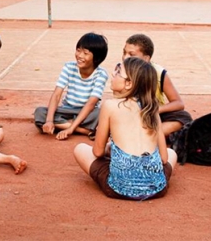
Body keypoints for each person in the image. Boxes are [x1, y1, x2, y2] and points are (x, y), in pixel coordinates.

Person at [73, 57, 176, 200]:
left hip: (119, 189)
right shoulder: (152, 109)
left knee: (80, 149)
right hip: (156, 189)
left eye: (118, 71)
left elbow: (97, 152)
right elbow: (164, 158)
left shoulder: (110, 105)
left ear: (129, 84)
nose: (113, 74)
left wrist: (110, 150)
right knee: (172, 153)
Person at [34, 33, 109, 140]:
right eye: (78, 50)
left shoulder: (101, 74)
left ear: (97, 58)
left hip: (87, 112)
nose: (80, 56)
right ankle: (84, 131)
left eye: (85, 53)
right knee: (40, 112)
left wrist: (70, 129)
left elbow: (91, 103)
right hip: (67, 110)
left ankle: (65, 125)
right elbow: (57, 94)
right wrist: (49, 120)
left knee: (100, 113)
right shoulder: (69, 67)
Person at [122, 34, 192, 138]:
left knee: (184, 117)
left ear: (146, 58)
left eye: (131, 54)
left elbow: (178, 103)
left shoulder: (159, 73)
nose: (125, 57)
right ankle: (149, 137)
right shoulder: (121, 71)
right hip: (131, 114)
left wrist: (157, 109)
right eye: (124, 52)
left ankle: (144, 137)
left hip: (154, 114)